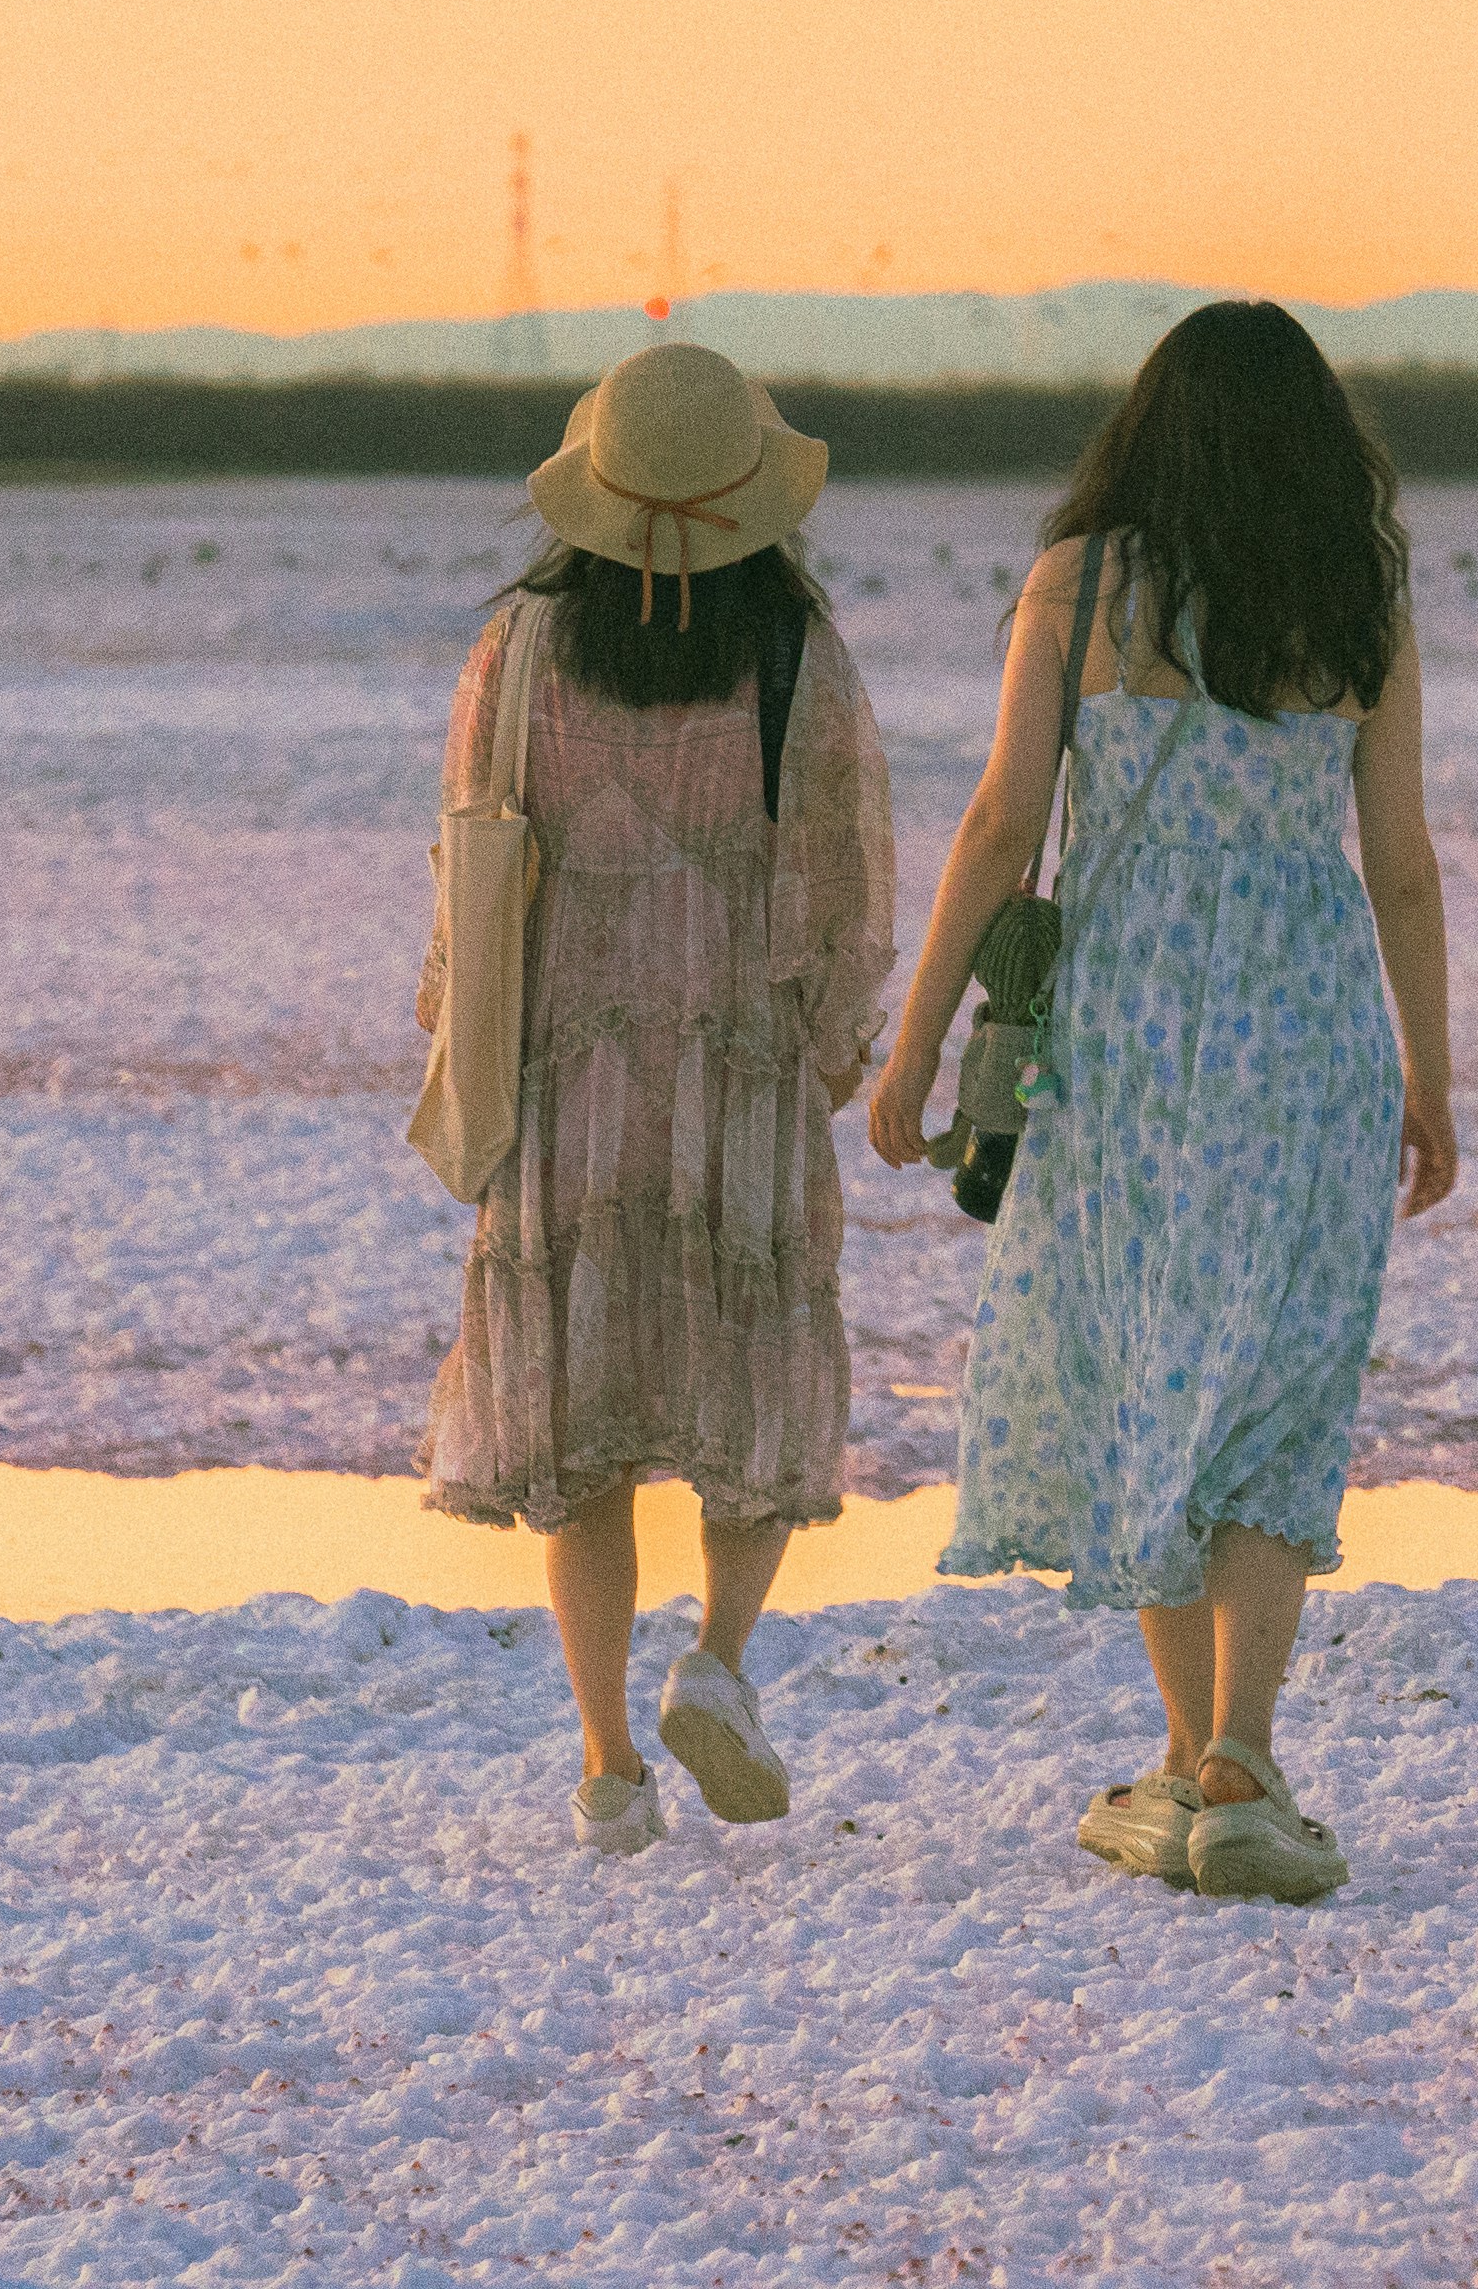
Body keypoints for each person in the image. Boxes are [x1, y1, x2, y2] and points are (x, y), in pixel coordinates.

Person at [868, 300, 1458, 1905]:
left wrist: (914, 1048)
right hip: (1310, 1028)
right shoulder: (1357, 594)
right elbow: (1401, 865)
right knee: (1273, 1387)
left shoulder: (1082, 585)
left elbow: (1004, 824)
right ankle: (1237, 1758)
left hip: (1126, 1033)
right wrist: (1430, 1075)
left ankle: (1194, 1757)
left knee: (1143, 1366)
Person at [421, 341, 895, 1854]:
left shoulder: (519, 651)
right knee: (747, 1379)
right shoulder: (795, 654)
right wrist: (836, 1040)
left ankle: (610, 1763)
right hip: (734, 1066)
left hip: (567, 1068)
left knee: (581, 1425)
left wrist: (456, 1025)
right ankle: (719, 1663)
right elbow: (847, 874)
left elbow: (468, 853)